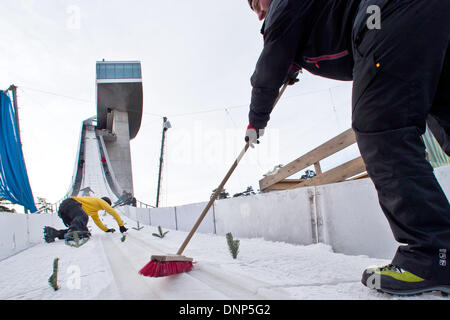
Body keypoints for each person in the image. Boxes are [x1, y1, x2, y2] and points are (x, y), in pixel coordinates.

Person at [244, 0, 450, 295]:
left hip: (391, 14)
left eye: (257, 3)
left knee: (380, 124)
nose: (258, 12)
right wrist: (294, 59)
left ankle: (432, 256)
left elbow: (268, 68)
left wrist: (255, 123)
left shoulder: (281, 6)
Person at [44, 196, 128, 243]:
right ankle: (73, 231)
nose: (104, 209)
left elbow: (97, 221)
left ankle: (55, 233)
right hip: (71, 203)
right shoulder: (100, 201)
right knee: (83, 217)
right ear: (106, 203)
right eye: (106, 206)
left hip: (65, 211)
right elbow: (113, 212)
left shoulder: (94, 210)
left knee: (83, 230)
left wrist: (106, 230)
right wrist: (121, 225)